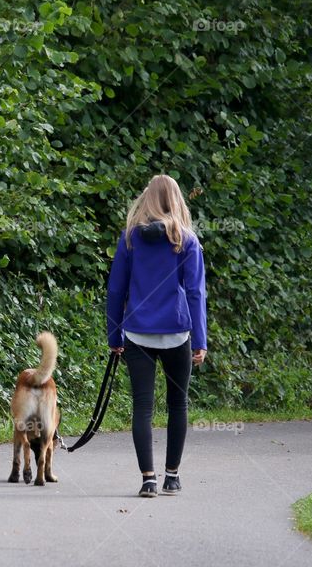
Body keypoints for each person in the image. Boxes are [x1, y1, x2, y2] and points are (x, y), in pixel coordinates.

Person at [106, 174, 208, 497]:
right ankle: (172, 476)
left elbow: (115, 290)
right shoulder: (187, 241)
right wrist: (201, 339)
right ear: (177, 200)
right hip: (177, 334)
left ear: (147, 199)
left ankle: (147, 478)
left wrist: (114, 334)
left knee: (142, 407)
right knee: (177, 404)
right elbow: (195, 293)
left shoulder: (129, 239)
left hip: (137, 333)